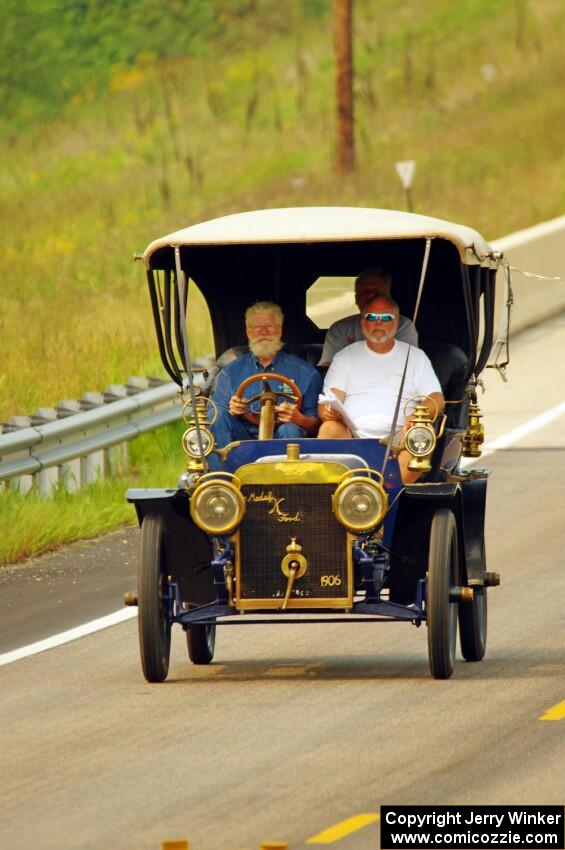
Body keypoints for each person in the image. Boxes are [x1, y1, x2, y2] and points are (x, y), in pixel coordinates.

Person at [318, 295, 444, 484]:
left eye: (385, 318)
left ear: (396, 323)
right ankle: (332, 495)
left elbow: (436, 398)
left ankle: (393, 496)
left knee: (422, 430)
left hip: (400, 438)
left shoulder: (415, 356)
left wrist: (417, 416)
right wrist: (328, 412)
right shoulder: (345, 356)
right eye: (371, 317)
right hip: (352, 435)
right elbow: (330, 399)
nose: (378, 323)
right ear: (363, 323)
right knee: (329, 428)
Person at [211, 301, 322, 448]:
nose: (263, 332)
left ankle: (288, 471)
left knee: (289, 428)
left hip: (286, 441)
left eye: (269, 327)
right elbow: (214, 416)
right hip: (242, 440)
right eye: (258, 327)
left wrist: (299, 419)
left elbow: (318, 425)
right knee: (219, 416)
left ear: (279, 331)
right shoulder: (230, 372)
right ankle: (221, 470)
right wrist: (234, 410)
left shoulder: (306, 373)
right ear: (248, 332)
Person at [319, 267, 418, 366]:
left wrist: (352, 354)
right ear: (356, 299)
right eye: (366, 292)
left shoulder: (403, 326)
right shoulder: (340, 329)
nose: (371, 297)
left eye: (376, 293)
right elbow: (328, 368)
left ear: (388, 297)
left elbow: (406, 367)